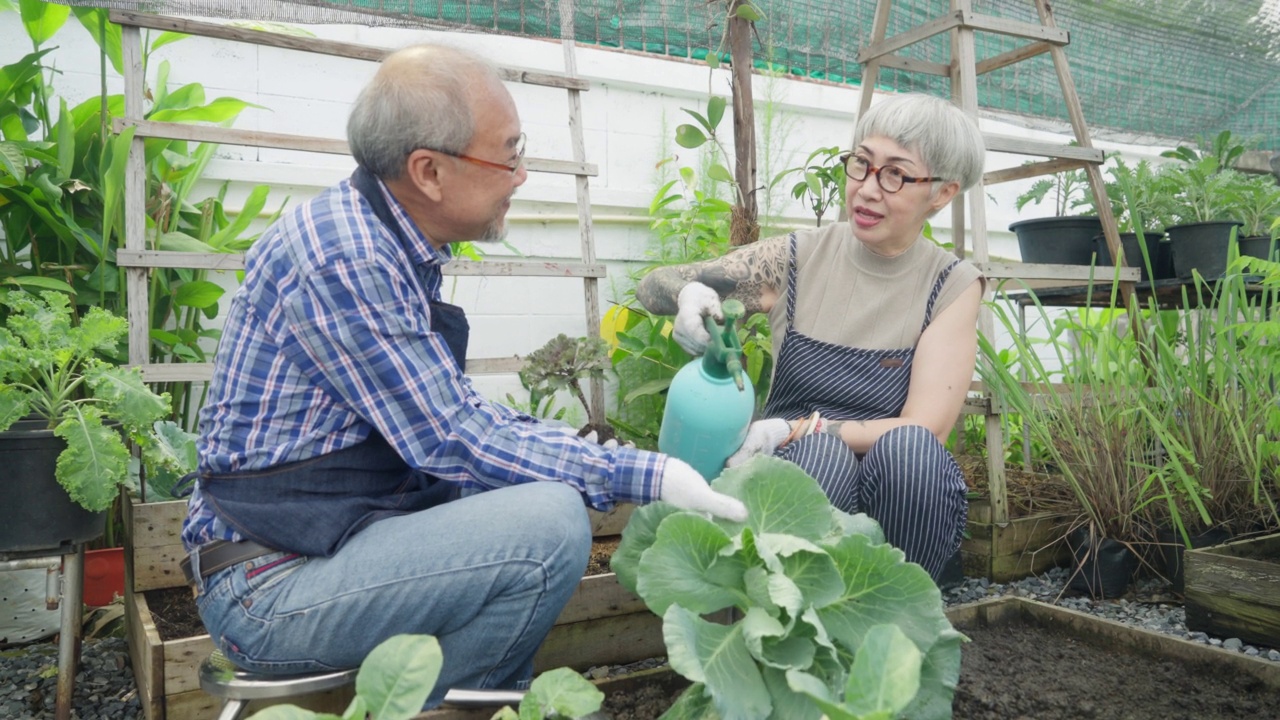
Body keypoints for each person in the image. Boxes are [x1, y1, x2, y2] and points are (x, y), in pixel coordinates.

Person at [177, 43, 746, 707]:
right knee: (549, 528)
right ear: (429, 172)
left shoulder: (385, 236)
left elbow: (448, 416)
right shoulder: (345, 258)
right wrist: (650, 475)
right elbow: (452, 436)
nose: (522, 174)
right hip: (271, 586)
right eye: (509, 153)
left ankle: (456, 702)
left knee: (533, 496)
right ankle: (454, 708)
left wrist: (583, 454)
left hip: (329, 536)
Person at [636, 93, 985, 582]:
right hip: (802, 473)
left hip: (896, 487)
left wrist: (796, 427)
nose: (866, 189)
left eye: (894, 175)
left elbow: (925, 430)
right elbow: (654, 286)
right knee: (824, 456)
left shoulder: (951, 285)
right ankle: (790, 626)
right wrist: (689, 296)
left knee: (911, 454)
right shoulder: (798, 258)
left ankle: (899, 623)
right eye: (860, 165)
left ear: (943, 193)